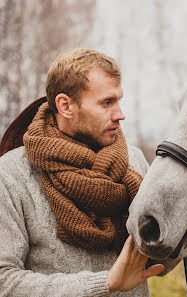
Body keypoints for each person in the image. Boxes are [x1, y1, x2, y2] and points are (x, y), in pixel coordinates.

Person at [0, 48, 164, 296]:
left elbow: (159, 265)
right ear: (65, 106)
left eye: (119, 100)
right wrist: (106, 282)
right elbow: (5, 282)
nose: (120, 114)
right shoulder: (11, 174)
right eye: (107, 103)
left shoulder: (135, 162)